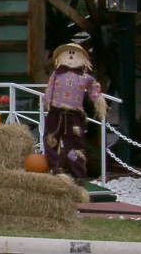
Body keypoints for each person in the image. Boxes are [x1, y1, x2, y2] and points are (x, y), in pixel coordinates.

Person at [42, 42, 108, 182]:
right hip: (56, 112)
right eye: (68, 53)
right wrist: (47, 102)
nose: (71, 55)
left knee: (74, 147)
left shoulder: (86, 78)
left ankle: (78, 173)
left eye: (74, 53)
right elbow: (50, 89)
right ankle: (55, 167)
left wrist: (99, 102)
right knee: (51, 141)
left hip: (74, 116)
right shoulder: (56, 74)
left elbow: (94, 91)